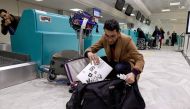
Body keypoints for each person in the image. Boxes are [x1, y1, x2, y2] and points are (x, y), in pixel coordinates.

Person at [84, 19, 145, 84]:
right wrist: (89, 52)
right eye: (107, 35)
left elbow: (140, 59)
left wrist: (134, 73)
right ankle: (109, 80)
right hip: (114, 62)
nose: (109, 40)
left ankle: (120, 82)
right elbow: (92, 48)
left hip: (126, 64)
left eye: (113, 36)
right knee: (98, 61)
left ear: (118, 33)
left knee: (119, 67)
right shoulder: (104, 38)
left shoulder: (127, 40)